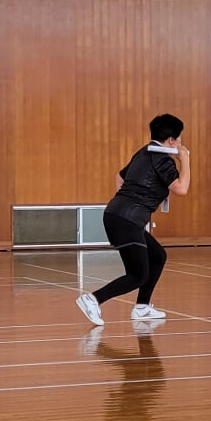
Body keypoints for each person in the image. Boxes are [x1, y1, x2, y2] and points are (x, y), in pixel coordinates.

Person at [77, 113, 190, 327]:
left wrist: (126, 203)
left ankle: (142, 307)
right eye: (179, 139)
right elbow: (181, 189)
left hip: (118, 215)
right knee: (138, 275)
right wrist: (185, 160)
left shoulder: (145, 152)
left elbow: (120, 177)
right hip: (126, 220)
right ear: (172, 140)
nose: (180, 143)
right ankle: (93, 299)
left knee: (157, 256)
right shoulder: (163, 160)